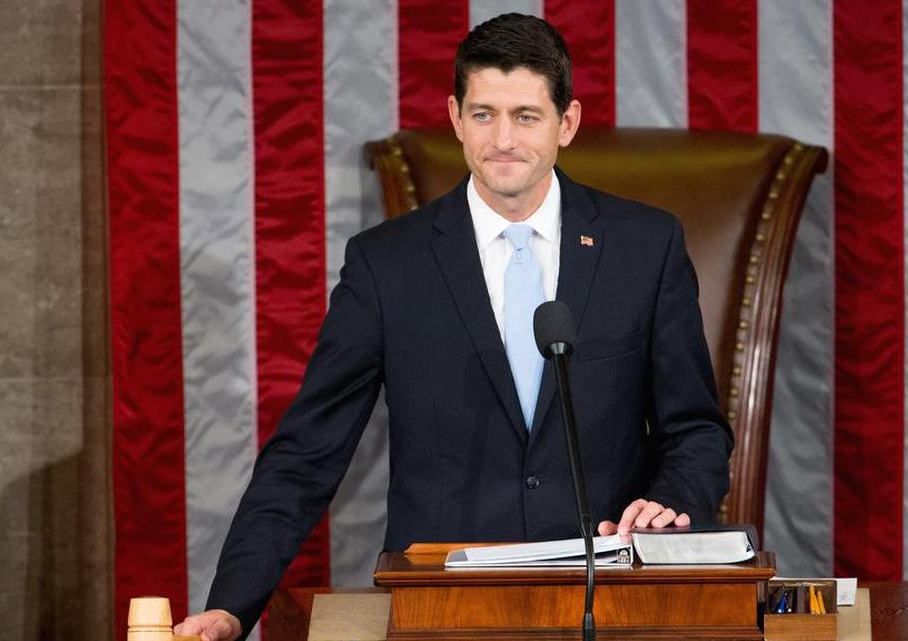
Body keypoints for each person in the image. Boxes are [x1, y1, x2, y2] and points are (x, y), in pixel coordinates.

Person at [176, 13, 732, 641]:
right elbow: (307, 452)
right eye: (483, 114)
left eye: (526, 116)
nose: (503, 139)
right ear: (455, 117)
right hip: (441, 604)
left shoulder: (644, 246)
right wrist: (231, 606)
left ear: (566, 123)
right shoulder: (387, 264)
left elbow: (695, 430)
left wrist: (671, 503)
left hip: (609, 598)